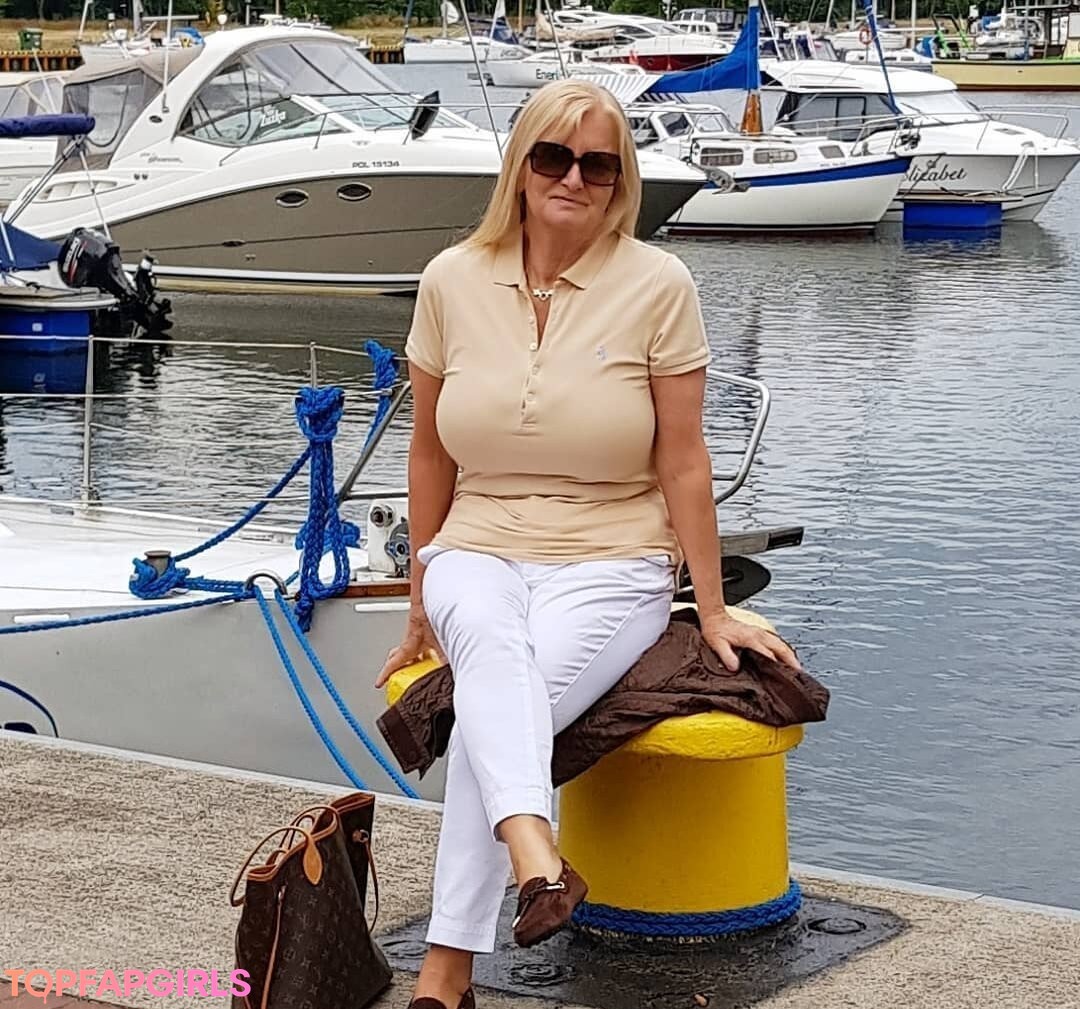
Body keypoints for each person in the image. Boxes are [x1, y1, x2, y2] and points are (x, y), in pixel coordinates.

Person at [376, 79, 801, 1009]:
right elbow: (429, 451)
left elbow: (684, 459)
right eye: (553, 157)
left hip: (614, 555)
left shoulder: (658, 285)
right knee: (491, 653)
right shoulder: (451, 278)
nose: (573, 178)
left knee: (494, 712)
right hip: (477, 542)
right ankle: (533, 859)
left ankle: (449, 973)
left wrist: (712, 607)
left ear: (620, 180)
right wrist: (417, 604)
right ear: (520, 167)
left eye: (598, 165)